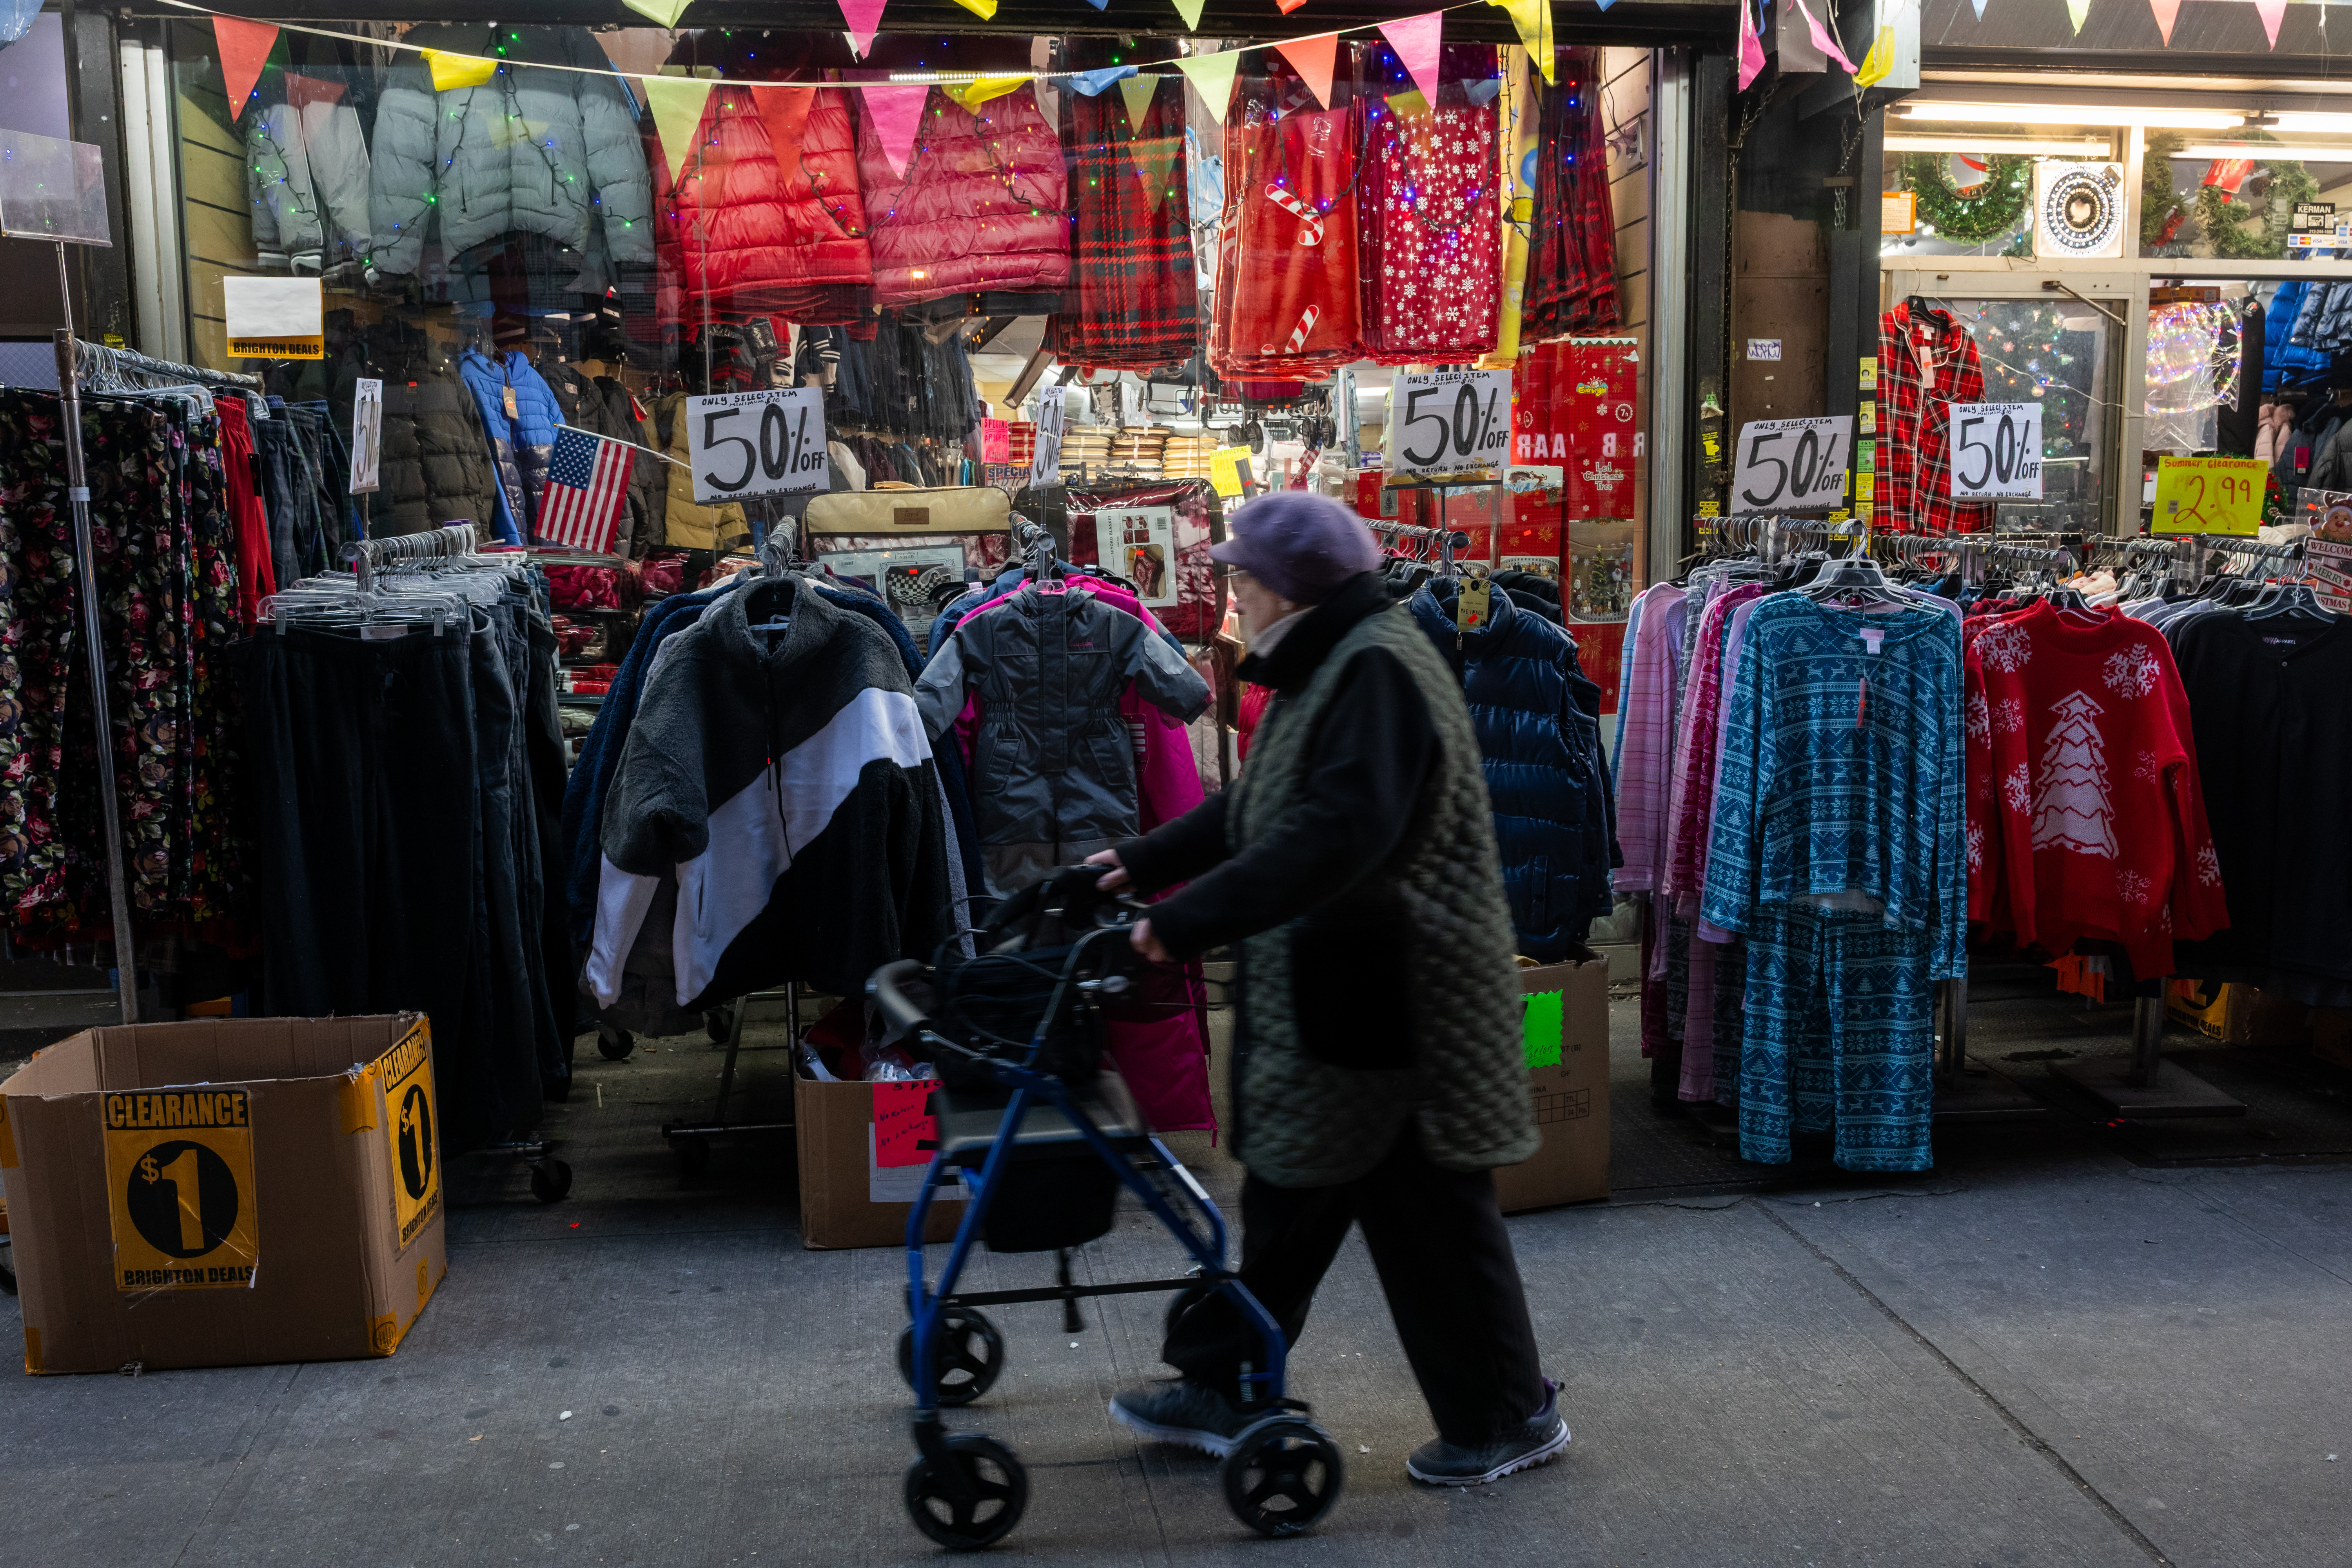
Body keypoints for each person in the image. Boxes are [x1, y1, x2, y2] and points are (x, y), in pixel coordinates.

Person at [1088, 492, 1568, 1488]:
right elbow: (1260, 810)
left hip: (1401, 998)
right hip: (1352, 992)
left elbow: (1333, 836)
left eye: (1243, 575)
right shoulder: (1336, 660)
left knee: (1424, 1217)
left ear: (1288, 584)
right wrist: (1137, 863)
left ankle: (1506, 1413)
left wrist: (1174, 923)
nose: (1232, 591)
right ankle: (1225, 1381)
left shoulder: (1376, 669)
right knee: (1296, 1193)